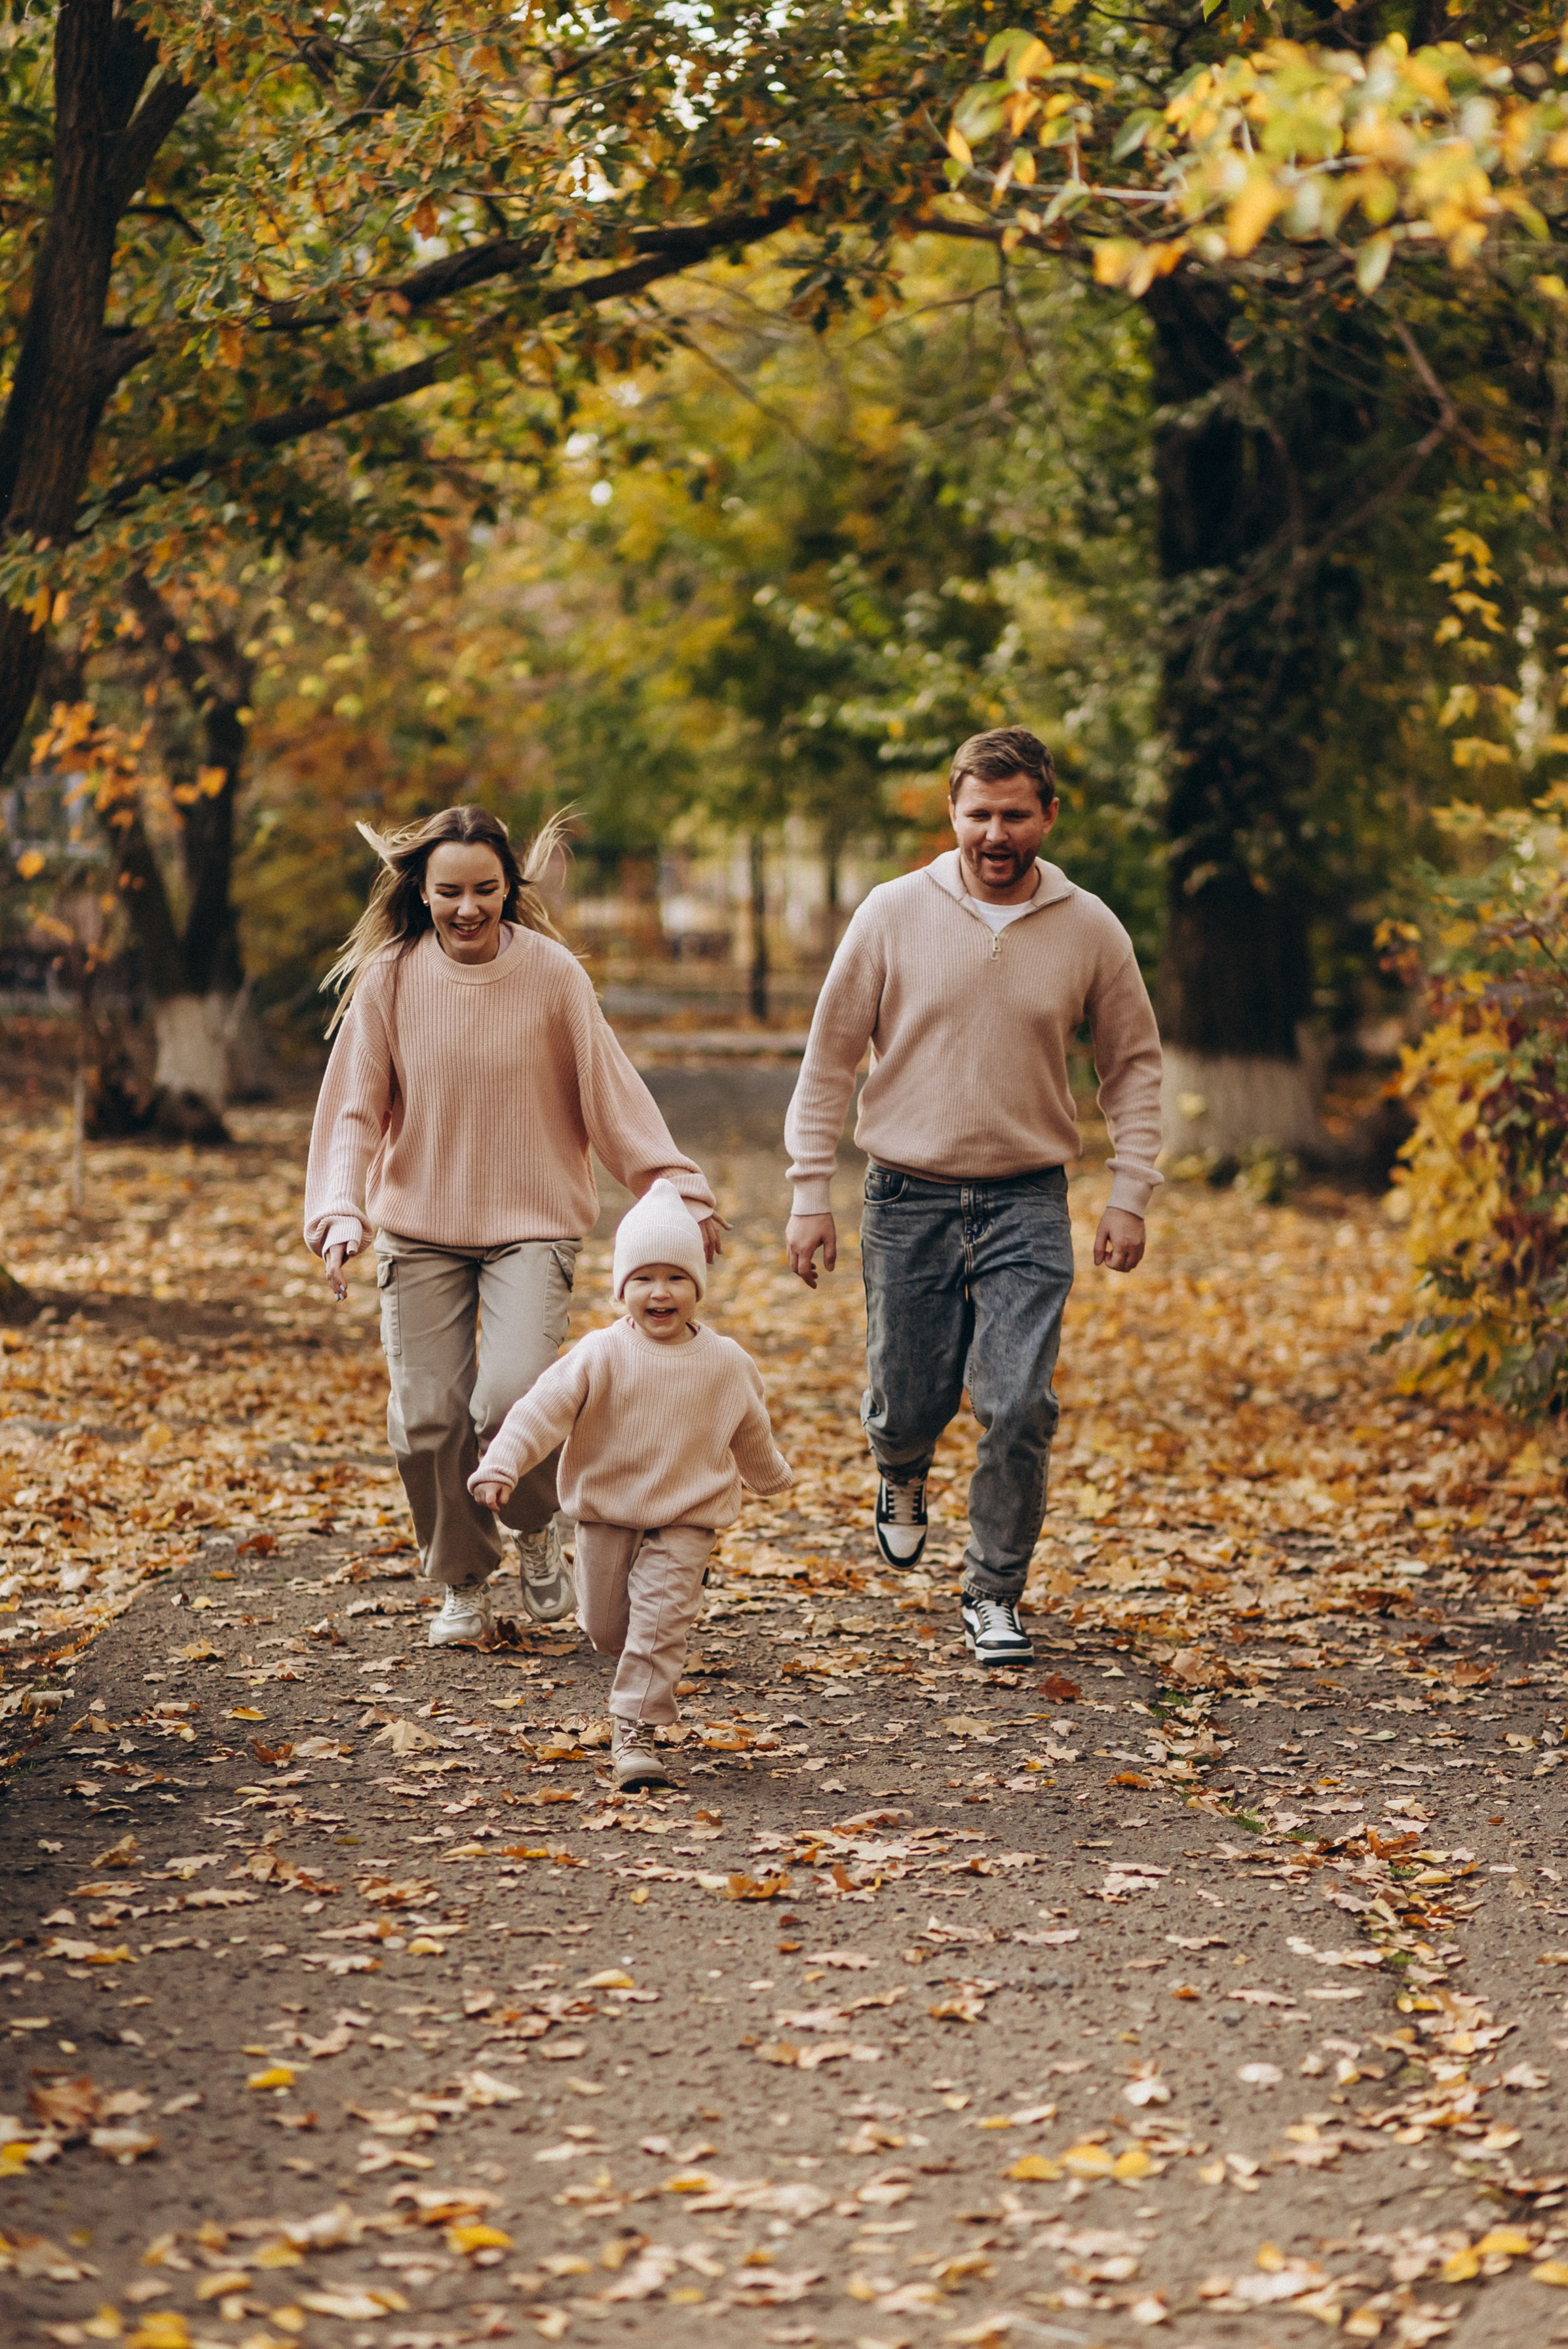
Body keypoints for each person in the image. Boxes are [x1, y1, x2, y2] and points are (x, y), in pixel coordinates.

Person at [783, 726, 1162, 1667]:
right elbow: (831, 1057)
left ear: (1049, 815)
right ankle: (900, 1468)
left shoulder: (1090, 927)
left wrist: (1130, 1191)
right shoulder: (891, 912)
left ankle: (994, 1592)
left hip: (1028, 1198)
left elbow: (1134, 1068)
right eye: (978, 814)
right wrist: (807, 1191)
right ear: (952, 810)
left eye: (1016, 815)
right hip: (906, 1194)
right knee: (909, 1402)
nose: (996, 834)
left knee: (1019, 1403)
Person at [304, 806, 721, 1649]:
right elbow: (353, 1110)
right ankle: (461, 1580)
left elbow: (609, 1093)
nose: (467, 908)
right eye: (449, 891)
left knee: (511, 1397)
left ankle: (536, 1527)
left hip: (531, 1222)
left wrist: (675, 1186)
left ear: (509, 890)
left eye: (485, 890)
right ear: (421, 892)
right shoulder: (389, 978)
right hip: (420, 1226)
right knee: (427, 1417)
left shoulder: (552, 974)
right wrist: (340, 1208)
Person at [469, 1179, 792, 1788]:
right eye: (643, 1278)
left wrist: (769, 1475)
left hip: (688, 1513)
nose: (660, 1292)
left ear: (697, 1286)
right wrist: (503, 1464)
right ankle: (634, 1659)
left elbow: (749, 1427)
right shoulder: (600, 1354)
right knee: (606, 1628)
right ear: (623, 1289)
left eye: (676, 1278)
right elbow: (541, 1410)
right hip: (606, 1511)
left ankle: (635, 1732)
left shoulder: (727, 1362)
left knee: (659, 1623)